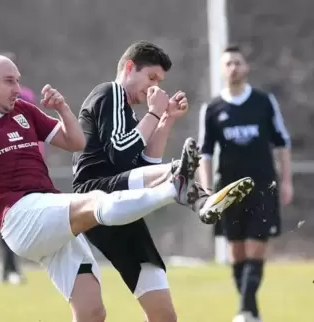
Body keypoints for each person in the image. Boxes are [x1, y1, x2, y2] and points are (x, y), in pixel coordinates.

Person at [0, 53, 246, 322]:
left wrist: (62, 108)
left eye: (17, 80)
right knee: (94, 202)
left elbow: (75, 142)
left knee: (93, 312)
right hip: (20, 218)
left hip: (49, 215)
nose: (17, 88)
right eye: (9, 81)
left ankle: (179, 187)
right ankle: (173, 189)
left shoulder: (24, 112)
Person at [73, 41, 254, 322]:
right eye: (152, 78)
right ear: (130, 67)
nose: (154, 86)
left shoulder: (130, 114)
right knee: (173, 174)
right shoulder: (110, 93)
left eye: (159, 81)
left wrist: (166, 119)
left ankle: (192, 191)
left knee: (164, 315)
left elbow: (145, 166)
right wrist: (154, 112)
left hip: (123, 201)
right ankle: (199, 197)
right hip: (95, 196)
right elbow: (120, 152)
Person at [198, 45, 294, 322]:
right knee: (236, 251)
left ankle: (244, 311)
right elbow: (204, 153)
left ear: (246, 67)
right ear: (221, 69)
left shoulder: (264, 102)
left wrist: (286, 181)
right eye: (227, 64)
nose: (233, 68)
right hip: (227, 190)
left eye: (237, 63)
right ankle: (251, 311)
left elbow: (282, 143)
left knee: (256, 246)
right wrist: (206, 192)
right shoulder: (212, 108)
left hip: (263, 186)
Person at [0, 51, 42, 285]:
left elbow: (36, 129)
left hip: (26, 165)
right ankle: (9, 266)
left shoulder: (27, 97)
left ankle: (12, 266)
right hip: (0, 167)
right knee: (4, 217)